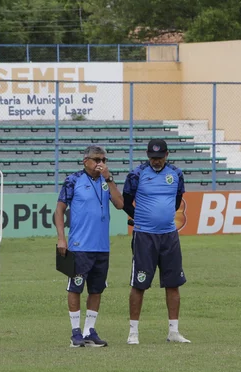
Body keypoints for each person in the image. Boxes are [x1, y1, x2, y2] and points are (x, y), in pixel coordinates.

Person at [122, 138, 191, 345]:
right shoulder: (136, 174)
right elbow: (125, 201)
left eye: (160, 158)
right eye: (152, 158)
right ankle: (133, 332)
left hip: (169, 235)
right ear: (147, 156)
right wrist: (140, 217)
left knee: (173, 283)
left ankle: (173, 331)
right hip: (144, 236)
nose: (156, 161)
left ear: (167, 155)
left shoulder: (176, 174)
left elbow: (177, 200)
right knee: (139, 283)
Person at [55, 145, 124, 347]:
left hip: (102, 246)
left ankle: (89, 331)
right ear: (86, 161)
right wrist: (61, 238)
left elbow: (120, 204)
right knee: (75, 287)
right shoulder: (73, 180)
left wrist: (109, 179)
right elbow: (59, 210)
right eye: (96, 160)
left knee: (96, 289)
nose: (100, 164)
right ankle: (75, 332)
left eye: (103, 160)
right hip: (79, 245)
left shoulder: (106, 180)